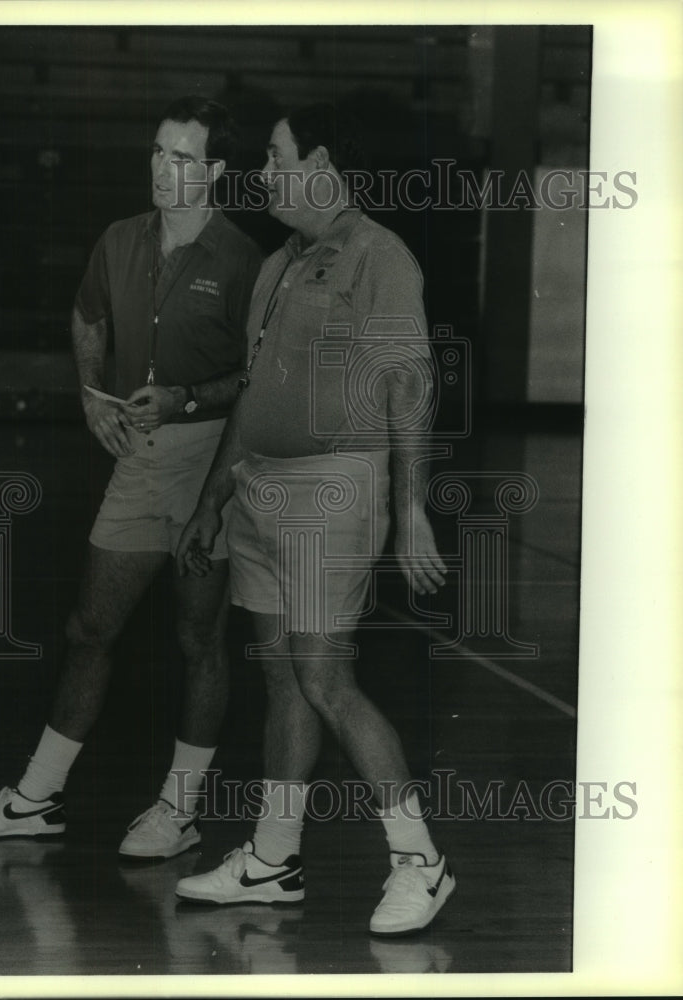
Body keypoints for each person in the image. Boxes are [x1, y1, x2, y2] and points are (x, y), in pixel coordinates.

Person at [0, 97, 262, 860]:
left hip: (215, 460)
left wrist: (187, 398)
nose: (162, 168)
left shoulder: (244, 260)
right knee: (91, 628)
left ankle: (179, 812)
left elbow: (258, 376)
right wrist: (91, 394)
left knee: (199, 638)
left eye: (181, 157)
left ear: (215, 170)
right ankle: (36, 798)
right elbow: (87, 315)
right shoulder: (119, 239)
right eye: (156, 151)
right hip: (141, 462)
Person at [173, 103, 454, 936]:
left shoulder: (378, 256)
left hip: (335, 487)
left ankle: (420, 863)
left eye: (275, 155)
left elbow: (409, 384)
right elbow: (255, 395)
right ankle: (272, 860)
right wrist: (213, 499)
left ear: (321, 162)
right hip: (258, 489)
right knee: (280, 675)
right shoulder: (276, 266)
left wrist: (410, 510)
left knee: (323, 676)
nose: (263, 171)